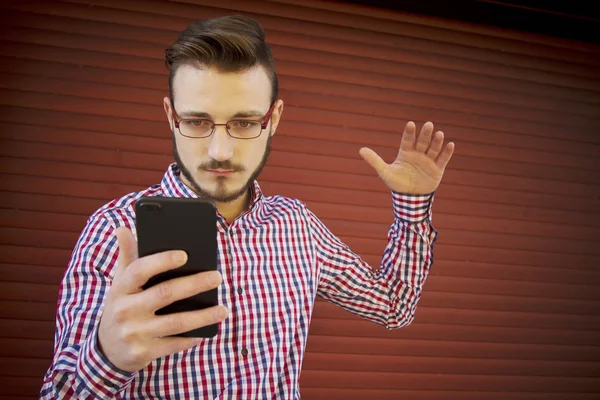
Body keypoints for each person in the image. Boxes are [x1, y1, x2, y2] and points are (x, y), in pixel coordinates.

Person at [40, 14, 455, 399]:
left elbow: (393, 307)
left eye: (244, 122)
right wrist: (107, 358)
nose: (220, 152)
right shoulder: (113, 231)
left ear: (273, 119)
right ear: (171, 117)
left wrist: (412, 205)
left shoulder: (297, 226)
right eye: (198, 121)